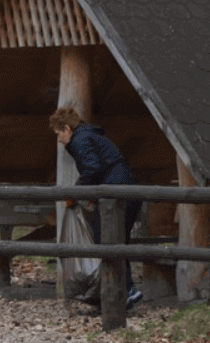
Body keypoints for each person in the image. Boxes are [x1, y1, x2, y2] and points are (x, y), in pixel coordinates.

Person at [49, 106, 144, 308]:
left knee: (107, 239)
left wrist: (76, 194)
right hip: (127, 186)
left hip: (116, 193)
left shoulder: (79, 140)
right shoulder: (90, 136)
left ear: (66, 128)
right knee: (118, 240)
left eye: (58, 134)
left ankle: (123, 290)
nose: (59, 139)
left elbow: (92, 168)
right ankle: (125, 290)